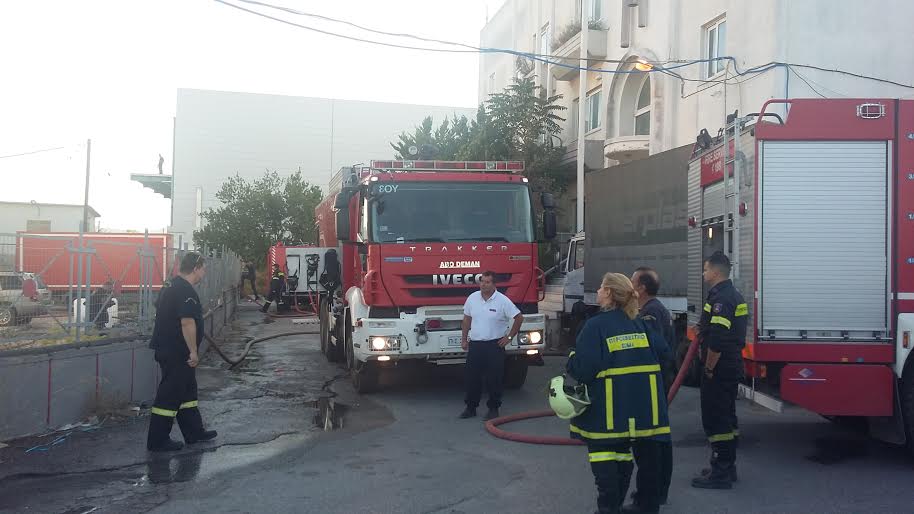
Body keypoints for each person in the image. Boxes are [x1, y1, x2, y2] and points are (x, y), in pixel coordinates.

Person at [566, 272, 670, 514]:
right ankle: (616, 507)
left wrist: (572, 357)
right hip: (639, 414)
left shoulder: (595, 326)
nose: (598, 291)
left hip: (607, 416)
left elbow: (583, 369)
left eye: (601, 287)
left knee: (605, 466)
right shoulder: (640, 323)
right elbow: (665, 354)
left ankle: (609, 509)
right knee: (623, 460)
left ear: (609, 293)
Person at [146, 252, 217, 452]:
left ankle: (194, 432)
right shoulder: (185, 290)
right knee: (170, 395)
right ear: (195, 268)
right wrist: (193, 351)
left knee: (187, 392)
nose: (204, 273)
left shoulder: (171, 285)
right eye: (203, 269)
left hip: (170, 348)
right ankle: (157, 440)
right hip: (177, 351)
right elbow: (187, 322)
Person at [691, 251, 748, 489]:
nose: (703, 273)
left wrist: (709, 368)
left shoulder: (722, 299)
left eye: (705, 269)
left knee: (716, 419)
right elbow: (713, 328)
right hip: (731, 365)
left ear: (715, 272)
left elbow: (718, 340)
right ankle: (727, 466)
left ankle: (720, 472)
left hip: (720, 368)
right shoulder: (729, 294)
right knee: (727, 417)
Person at [628, 267, 675, 510]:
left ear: (642, 287)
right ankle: (656, 493)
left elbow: (650, 350)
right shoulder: (653, 310)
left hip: (652, 384)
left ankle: (651, 496)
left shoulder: (650, 313)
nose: (629, 285)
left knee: (651, 443)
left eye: (632, 281)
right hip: (656, 382)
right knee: (658, 439)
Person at [459, 271, 523, 421]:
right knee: (472, 378)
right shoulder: (472, 298)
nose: (483, 285)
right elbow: (467, 320)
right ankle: (471, 408)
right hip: (476, 345)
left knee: (494, 379)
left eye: (487, 282)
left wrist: (509, 337)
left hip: (494, 346)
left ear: (494, 284)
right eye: (482, 281)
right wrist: (464, 339)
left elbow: (519, 318)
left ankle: (493, 408)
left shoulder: (503, 301)